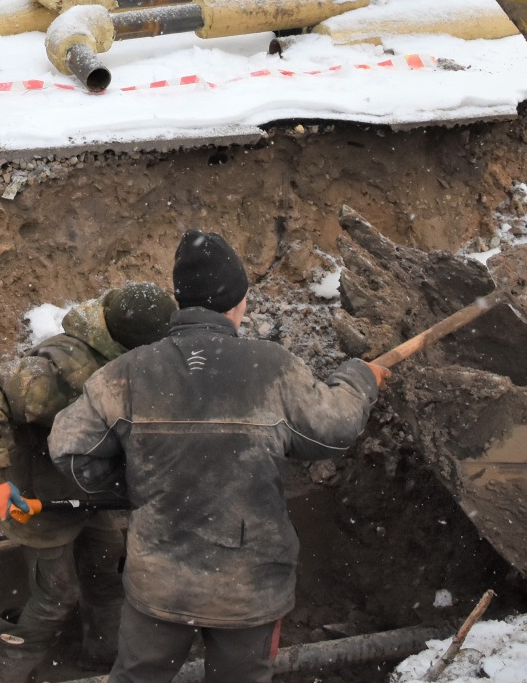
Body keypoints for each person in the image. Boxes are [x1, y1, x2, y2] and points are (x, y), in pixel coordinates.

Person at [49, 230, 390, 683]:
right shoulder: (272, 368)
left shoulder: (128, 372)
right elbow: (333, 432)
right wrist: (358, 380)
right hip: (246, 589)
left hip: (159, 582)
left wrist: (133, 486)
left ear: (181, 301)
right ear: (239, 301)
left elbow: (70, 448)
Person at [0, 282, 177, 683]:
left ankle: (104, 660)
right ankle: (8, 674)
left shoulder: (135, 367)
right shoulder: (63, 372)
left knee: (108, 576)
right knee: (57, 595)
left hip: (90, 489)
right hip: (40, 495)